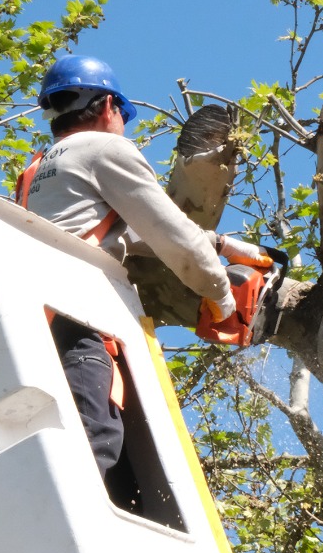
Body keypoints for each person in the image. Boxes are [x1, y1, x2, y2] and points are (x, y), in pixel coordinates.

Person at [14, 55, 246, 506]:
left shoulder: (37, 169)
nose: (122, 124)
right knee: (94, 443)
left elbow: (111, 229)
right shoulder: (106, 149)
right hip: (78, 321)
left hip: (37, 325)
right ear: (106, 105)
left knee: (89, 451)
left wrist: (221, 245)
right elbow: (172, 237)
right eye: (121, 114)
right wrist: (222, 296)